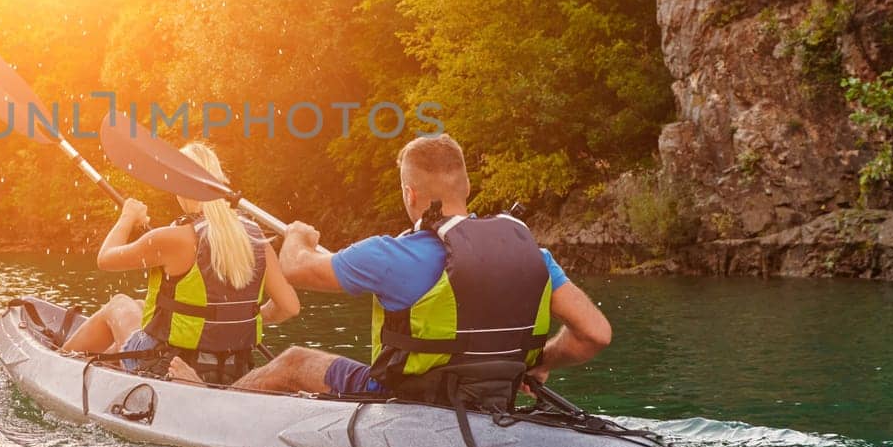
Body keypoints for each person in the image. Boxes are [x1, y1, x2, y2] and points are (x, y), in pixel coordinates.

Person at [231, 133, 610, 402]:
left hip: (410, 398)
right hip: (495, 397)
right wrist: (538, 362)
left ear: (410, 194)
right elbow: (595, 333)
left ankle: (209, 407)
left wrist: (297, 235)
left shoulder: (390, 255)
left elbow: (295, 268)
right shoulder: (532, 255)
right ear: (465, 187)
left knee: (294, 361)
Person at [61, 141, 301, 385]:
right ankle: (107, 362)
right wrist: (237, 319)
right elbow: (289, 307)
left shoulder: (173, 238)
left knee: (119, 304)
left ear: (180, 186)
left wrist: (128, 216)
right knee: (142, 305)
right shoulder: (255, 237)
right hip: (235, 369)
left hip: (168, 365)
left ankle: (57, 363)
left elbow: (106, 258)